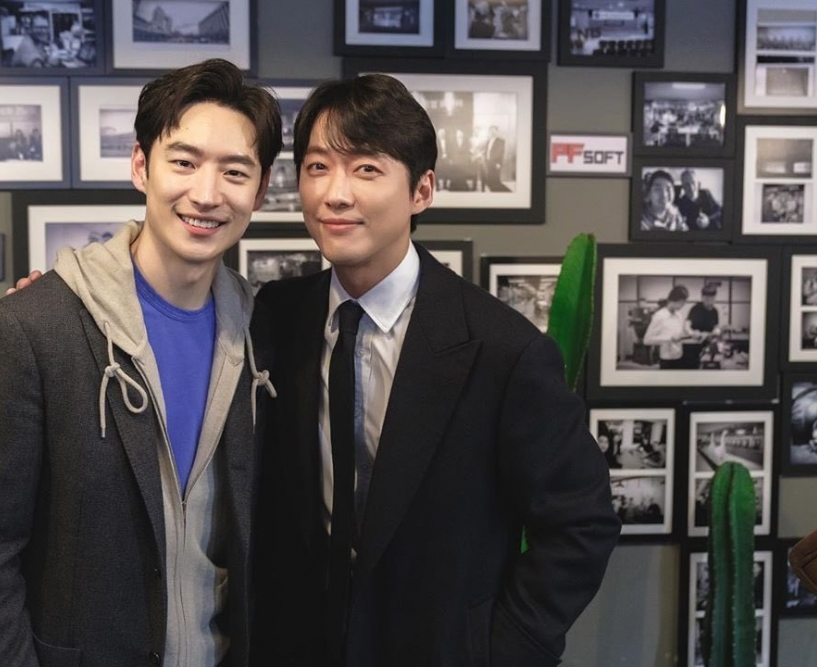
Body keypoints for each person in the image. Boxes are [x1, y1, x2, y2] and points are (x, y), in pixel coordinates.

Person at [251, 74, 620, 666]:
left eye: (366, 169)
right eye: (318, 167)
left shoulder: (503, 350)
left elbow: (582, 523)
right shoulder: (274, 317)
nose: (335, 194)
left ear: (421, 190)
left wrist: (502, 650)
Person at [0, 59, 282, 667]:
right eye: (184, 162)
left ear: (259, 189)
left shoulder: (264, 336)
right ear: (141, 166)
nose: (207, 194)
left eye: (234, 172)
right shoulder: (28, 329)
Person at [642, 285, 689, 369]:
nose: (683, 305)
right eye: (681, 302)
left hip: (680, 357)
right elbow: (647, 340)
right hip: (667, 361)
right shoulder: (659, 316)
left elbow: (680, 334)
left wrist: (690, 333)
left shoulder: (679, 315)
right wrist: (669, 339)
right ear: (674, 300)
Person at [681, 284, 722, 369]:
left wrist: (716, 331)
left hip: (706, 346)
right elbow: (686, 326)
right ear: (702, 298)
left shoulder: (715, 311)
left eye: (711, 298)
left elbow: (716, 327)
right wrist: (692, 333)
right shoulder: (696, 308)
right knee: (691, 368)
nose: (709, 300)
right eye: (706, 298)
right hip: (693, 346)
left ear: (715, 298)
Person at [482, 124, 509, 192]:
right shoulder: (488, 141)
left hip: (496, 164)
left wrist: (498, 163)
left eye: (494, 131)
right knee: (490, 181)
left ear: (497, 132)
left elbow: (500, 153)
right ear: (489, 132)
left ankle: (505, 193)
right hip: (488, 163)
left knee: (496, 181)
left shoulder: (500, 141)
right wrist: (485, 160)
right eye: (491, 131)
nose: (492, 132)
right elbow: (486, 151)